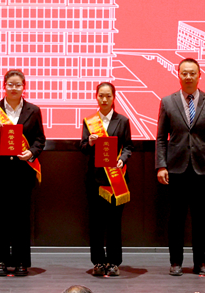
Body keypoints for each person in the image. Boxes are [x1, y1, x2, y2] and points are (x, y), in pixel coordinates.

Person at [155, 57, 205, 276]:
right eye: (184, 73)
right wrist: (161, 165)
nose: (188, 77)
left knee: (200, 219)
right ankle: (176, 262)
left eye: (192, 73)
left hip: (202, 170)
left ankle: (200, 262)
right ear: (178, 74)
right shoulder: (167, 102)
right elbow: (161, 138)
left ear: (199, 75)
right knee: (176, 218)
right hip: (175, 169)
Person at [0, 69, 46, 277]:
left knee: (21, 219)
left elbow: (40, 140)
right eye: (10, 84)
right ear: (4, 86)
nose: (14, 88)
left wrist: (31, 153)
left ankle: (21, 261)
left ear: (24, 87)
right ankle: (0, 261)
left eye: (18, 85)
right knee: (1, 219)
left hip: (23, 173)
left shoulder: (33, 110)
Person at [79, 82, 133, 277]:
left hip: (116, 179)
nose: (104, 99)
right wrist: (90, 142)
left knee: (114, 223)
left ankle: (113, 262)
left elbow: (128, 147)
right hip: (95, 180)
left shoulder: (123, 121)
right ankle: (98, 262)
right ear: (96, 97)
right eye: (101, 95)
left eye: (108, 96)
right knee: (96, 223)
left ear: (113, 97)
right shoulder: (90, 121)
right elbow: (82, 147)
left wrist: (122, 159)